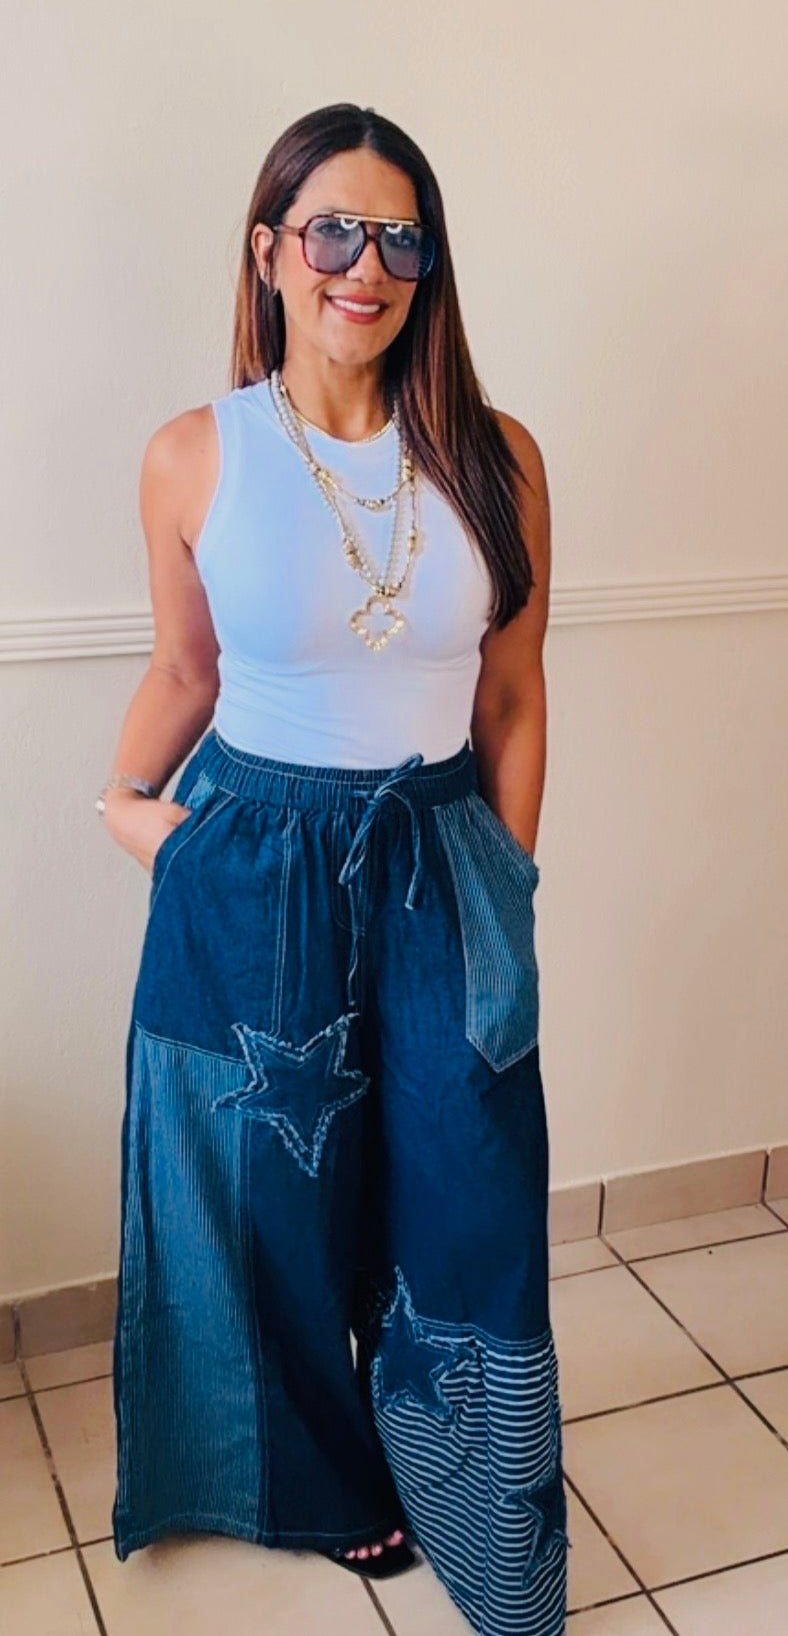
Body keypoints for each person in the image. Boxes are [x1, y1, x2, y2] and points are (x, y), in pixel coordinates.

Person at [97, 101, 570, 1635]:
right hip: (255, 860)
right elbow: (186, 668)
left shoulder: (498, 456)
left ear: (430, 267)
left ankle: (482, 1515)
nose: (366, 267)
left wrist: (505, 881)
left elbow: (513, 695)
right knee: (272, 1206)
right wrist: (124, 804)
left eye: (400, 240)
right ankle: (328, 1484)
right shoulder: (195, 454)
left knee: (468, 1192)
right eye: (334, 231)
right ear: (270, 250)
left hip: (439, 857)